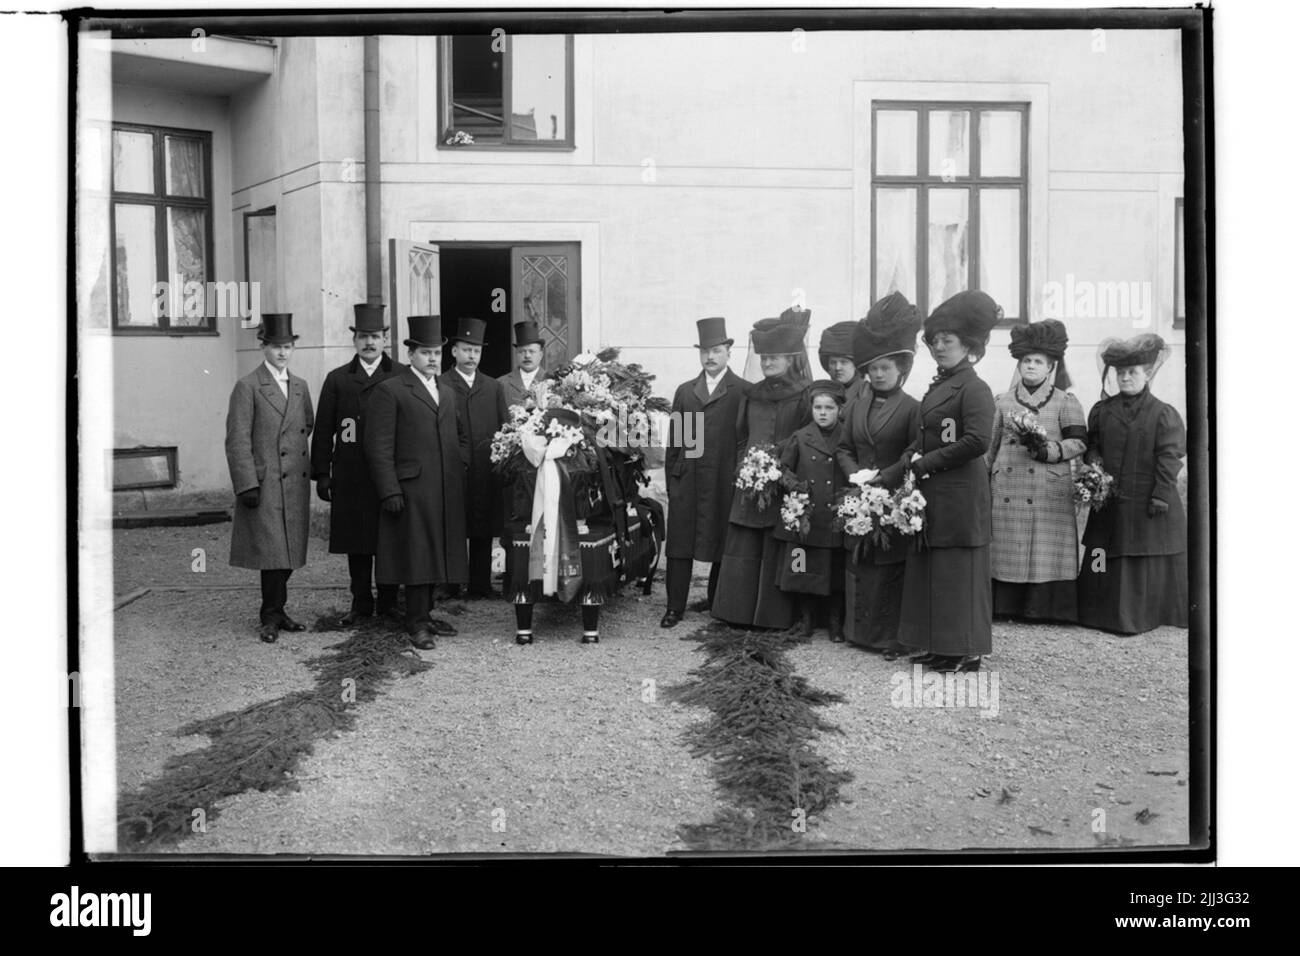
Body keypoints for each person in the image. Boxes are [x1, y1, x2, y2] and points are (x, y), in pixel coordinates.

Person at [894, 290, 998, 673]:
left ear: (968, 345)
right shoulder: (941, 386)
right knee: (939, 573)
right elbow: (926, 438)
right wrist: (908, 466)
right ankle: (942, 646)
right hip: (937, 494)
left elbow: (977, 441)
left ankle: (966, 652)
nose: (939, 347)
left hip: (961, 496)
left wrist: (926, 464)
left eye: (947, 341)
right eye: (934, 341)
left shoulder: (974, 388)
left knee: (960, 574)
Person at [366, 315, 469, 649]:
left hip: (443, 487)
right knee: (416, 554)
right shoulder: (391, 390)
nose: (433, 359)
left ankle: (425, 613)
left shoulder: (447, 391)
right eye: (426, 353)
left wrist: (458, 464)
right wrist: (389, 489)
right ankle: (415, 623)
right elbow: (378, 447)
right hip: (411, 489)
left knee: (435, 552)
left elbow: (461, 434)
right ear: (410, 354)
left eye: (437, 353)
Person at [1076, 333, 1188, 635]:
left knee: (1141, 554)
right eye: (1120, 372)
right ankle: (1097, 611)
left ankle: (1142, 615)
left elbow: (1170, 457)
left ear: (1147, 374)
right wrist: (1096, 466)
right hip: (1110, 497)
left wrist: (1161, 495)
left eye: (1132, 372)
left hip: (1147, 498)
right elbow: (1093, 445)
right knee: (1101, 554)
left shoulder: (1163, 414)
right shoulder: (1102, 411)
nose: (1125, 378)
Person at [711, 308, 814, 629]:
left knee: (775, 542)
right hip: (749, 479)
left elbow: (804, 439)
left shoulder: (803, 396)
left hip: (783, 480)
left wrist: (781, 468)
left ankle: (774, 615)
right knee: (744, 542)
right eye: (764, 357)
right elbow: (742, 436)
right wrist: (745, 467)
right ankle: (736, 611)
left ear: (791, 359)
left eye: (775, 358)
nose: (768, 363)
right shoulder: (752, 395)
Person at [835, 292, 923, 657]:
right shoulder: (856, 406)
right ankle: (858, 632)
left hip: (891, 498)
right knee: (859, 564)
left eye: (886, 368)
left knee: (889, 567)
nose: (878, 374)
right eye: (873, 368)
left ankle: (890, 637)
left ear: (901, 368)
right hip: (859, 495)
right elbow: (843, 448)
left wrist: (883, 479)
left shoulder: (912, 408)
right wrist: (856, 476)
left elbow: (912, 453)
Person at [987, 319, 1088, 623]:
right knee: (1007, 547)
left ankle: (1045, 608)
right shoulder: (1002, 401)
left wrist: (1051, 451)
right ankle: (1005, 606)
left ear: (1050, 367)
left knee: (1046, 548)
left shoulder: (1065, 401)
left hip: (1048, 487)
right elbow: (990, 448)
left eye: (1038, 362)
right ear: (1019, 365)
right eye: (1026, 361)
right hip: (1008, 485)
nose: (1031, 366)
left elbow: (1079, 442)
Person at [310, 303, 404, 626]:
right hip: (350, 474)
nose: (369, 343)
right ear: (355, 340)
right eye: (363, 336)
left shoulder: (400, 375)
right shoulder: (338, 380)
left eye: (375, 337)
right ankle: (361, 602)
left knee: (389, 540)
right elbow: (324, 430)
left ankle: (390, 603)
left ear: (384, 340)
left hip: (389, 475)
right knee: (357, 542)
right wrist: (323, 473)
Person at [224, 313, 315, 644]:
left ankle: (279, 609)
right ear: (264, 347)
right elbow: (237, 439)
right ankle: (270, 615)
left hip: (293, 484)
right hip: (265, 484)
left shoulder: (301, 386)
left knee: (288, 552)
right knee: (273, 552)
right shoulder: (248, 386)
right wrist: (246, 482)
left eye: (288, 347)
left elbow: (306, 423)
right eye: (276, 347)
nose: (282, 353)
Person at [660, 317, 750, 628]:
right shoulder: (687, 392)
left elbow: (744, 440)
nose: (710, 357)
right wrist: (675, 477)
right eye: (705, 351)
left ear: (728, 352)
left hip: (725, 478)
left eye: (716, 350)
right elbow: (680, 442)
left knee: (721, 542)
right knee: (680, 544)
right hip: (690, 478)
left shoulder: (742, 391)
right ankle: (674, 607)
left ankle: (717, 603)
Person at [775, 380, 848, 640]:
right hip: (808, 514)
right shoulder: (801, 436)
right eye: (818, 407)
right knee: (802, 567)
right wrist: (796, 486)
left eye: (829, 407)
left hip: (836, 514)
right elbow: (782, 469)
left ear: (840, 409)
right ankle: (804, 619)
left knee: (836, 568)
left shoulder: (848, 436)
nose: (823, 412)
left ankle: (835, 621)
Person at [444, 317, 510, 599]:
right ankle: (449, 583)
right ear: (454, 351)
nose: (472, 356)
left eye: (476, 351)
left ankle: (480, 583)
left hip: (485, 467)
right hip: (453, 467)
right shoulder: (441, 384)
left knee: (483, 525)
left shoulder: (493, 387)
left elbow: (504, 428)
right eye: (466, 349)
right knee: (453, 525)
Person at [498, 320, 546, 409]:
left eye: (532, 351)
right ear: (516, 354)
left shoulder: (551, 381)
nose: (527, 356)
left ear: (540, 355)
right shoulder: (500, 384)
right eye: (522, 352)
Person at [818, 321, 864, 408]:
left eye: (844, 362)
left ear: (855, 365)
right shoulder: (821, 394)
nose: (838, 367)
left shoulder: (867, 395)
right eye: (833, 362)